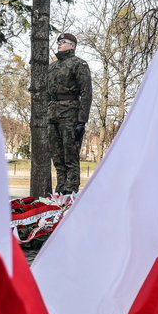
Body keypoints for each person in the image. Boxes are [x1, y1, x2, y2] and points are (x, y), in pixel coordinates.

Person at [47, 32, 92, 194]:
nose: (59, 44)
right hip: (53, 115)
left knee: (70, 157)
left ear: (72, 45)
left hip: (70, 115)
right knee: (57, 158)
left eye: (63, 42)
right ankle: (60, 191)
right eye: (58, 41)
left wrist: (82, 121)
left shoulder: (79, 64)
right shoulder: (52, 67)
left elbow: (86, 93)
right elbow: (47, 93)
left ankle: (70, 193)